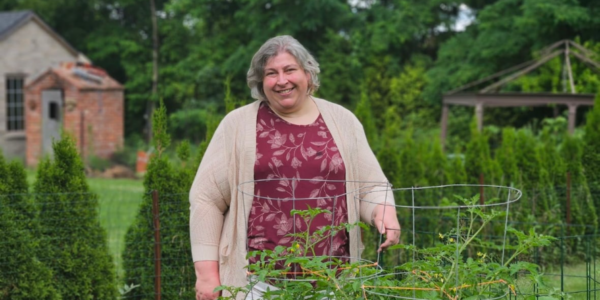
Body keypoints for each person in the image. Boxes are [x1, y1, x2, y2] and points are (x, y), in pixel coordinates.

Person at [190, 35, 400, 300]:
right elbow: (205, 198)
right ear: (260, 81)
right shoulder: (237, 125)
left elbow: (370, 186)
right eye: (271, 73)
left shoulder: (343, 121)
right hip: (257, 283)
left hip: (332, 282)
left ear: (308, 74)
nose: (281, 80)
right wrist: (207, 275)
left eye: (290, 70)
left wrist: (384, 212)